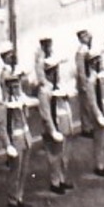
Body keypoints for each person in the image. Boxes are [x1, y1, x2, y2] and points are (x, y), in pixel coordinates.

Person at [37, 57, 74, 194]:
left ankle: (62, 179)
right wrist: (52, 130)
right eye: (53, 72)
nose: (56, 75)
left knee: (64, 154)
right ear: (48, 73)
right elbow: (46, 113)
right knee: (54, 156)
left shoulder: (59, 86)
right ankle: (55, 182)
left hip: (64, 124)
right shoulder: (44, 91)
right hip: (53, 126)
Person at [0, 72, 35, 207]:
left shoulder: (20, 101)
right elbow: (3, 127)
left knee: (23, 170)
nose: (16, 89)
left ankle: (19, 196)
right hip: (15, 139)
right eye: (13, 87)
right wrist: (7, 145)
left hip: (25, 137)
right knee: (15, 171)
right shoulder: (4, 105)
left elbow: (26, 116)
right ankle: (12, 199)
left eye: (17, 86)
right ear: (8, 89)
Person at [74, 30, 96, 136]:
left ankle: (89, 126)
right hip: (85, 80)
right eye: (85, 37)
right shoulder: (81, 51)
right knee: (86, 105)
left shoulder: (87, 49)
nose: (88, 38)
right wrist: (83, 83)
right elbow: (81, 69)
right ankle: (86, 128)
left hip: (88, 79)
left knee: (89, 103)